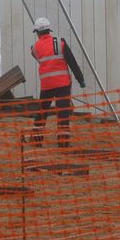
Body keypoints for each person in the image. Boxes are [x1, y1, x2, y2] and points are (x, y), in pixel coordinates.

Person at [30, 17, 85, 148]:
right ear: (49, 30)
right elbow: (72, 63)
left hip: (47, 85)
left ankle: (37, 141)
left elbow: (39, 57)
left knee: (42, 112)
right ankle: (63, 143)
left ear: (37, 32)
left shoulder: (34, 48)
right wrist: (80, 79)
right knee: (63, 113)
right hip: (63, 85)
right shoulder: (60, 43)